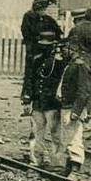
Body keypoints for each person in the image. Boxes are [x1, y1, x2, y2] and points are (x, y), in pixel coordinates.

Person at [27, 31, 65, 168]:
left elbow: (63, 81)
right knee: (37, 131)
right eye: (42, 45)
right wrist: (27, 98)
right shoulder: (36, 59)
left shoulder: (59, 62)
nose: (44, 48)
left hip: (52, 102)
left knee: (55, 132)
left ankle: (57, 162)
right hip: (38, 100)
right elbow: (30, 79)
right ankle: (37, 159)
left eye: (47, 45)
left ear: (53, 45)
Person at [58, 43, 91, 178]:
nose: (62, 53)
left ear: (72, 50)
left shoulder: (79, 66)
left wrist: (76, 111)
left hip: (73, 107)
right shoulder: (71, 64)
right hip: (67, 106)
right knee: (67, 137)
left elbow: (83, 92)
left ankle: (75, 168)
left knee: (74, 137)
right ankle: (69, 166)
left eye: (64, 50)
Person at [20, 0, 61, 104]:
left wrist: (55, 39)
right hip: (33, 48)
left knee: (45, 70)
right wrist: (36, 39)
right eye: (41, 9)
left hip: (47, 48)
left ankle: (41, 92)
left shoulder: (48, 19)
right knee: (30, 71)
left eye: (44, 9)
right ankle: (28, 93)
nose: (43, 11)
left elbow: (57, 31)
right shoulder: (29, 17)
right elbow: (26, 32)